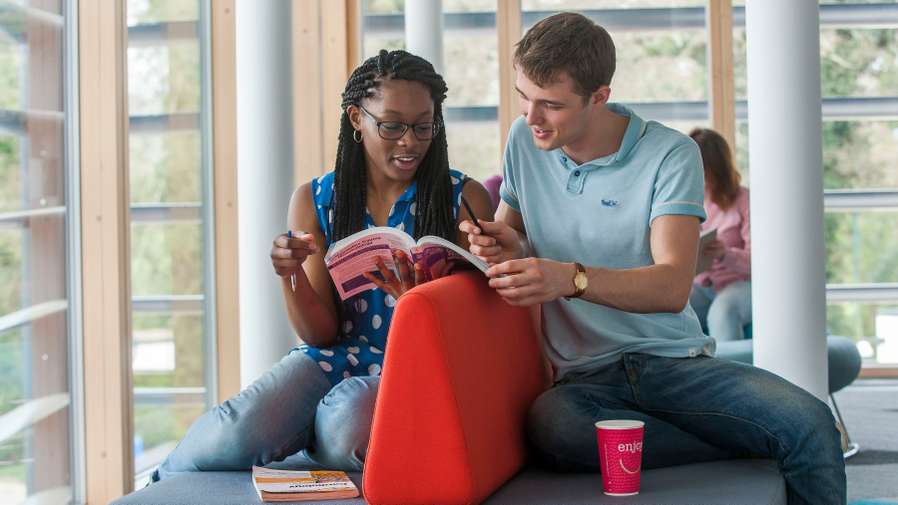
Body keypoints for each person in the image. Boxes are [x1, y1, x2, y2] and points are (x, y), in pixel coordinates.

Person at [459, 13, 845, 505]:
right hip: (585, 380)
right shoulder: (524, 141)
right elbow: (513, 233)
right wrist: (500, 244)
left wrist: (569, 279)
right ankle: (744, 445)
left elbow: (671, 286)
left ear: (599, 96)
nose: (531, 118)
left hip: (672, 363)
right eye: (523, 97)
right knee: (554, 425)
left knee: (810, 424)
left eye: (551, 105)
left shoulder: (670, 154)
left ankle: (760, 440)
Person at [150, 49, 493, 481]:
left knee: (343, 428)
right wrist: (289, 274)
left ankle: (303, 427)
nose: (410, 141)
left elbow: (480, 333)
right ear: (356, 118)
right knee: (233, 432)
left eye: (424, 126)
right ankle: (157, 482)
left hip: (416, 368)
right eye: (391, 126)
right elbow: (320, 333)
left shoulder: (465, 199)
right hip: (332, 359)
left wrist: (417, 306)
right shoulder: (315, 200)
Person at [688, 128, 752, 342]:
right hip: (701, 284)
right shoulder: (688, 200)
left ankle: (729, 375)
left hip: (741, 284)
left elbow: (758, 262)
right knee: (668, 310)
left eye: (704, 170)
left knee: (722, 312)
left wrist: (725, 254)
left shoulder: (743, 200)